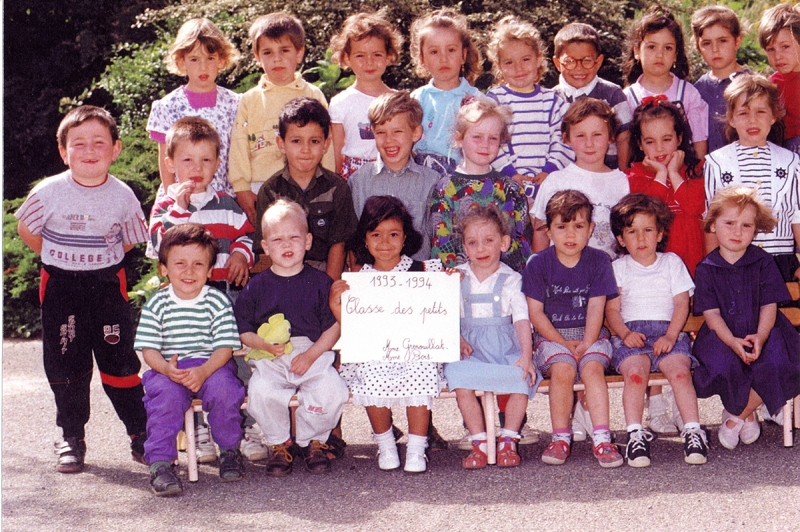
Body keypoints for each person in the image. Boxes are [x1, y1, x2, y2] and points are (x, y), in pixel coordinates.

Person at [15, 105, 148, 473]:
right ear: (63, 151)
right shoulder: (49, 192)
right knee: (66, 363)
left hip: (106, 285)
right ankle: (71, 436)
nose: (89, 151)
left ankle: (140, 433)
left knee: (120, 362)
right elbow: (26, 230)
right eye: (79, 144)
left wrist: (97, 259)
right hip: (61, 286)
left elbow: (131, 240)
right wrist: (58, 255)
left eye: (99, 143)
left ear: (116, 149)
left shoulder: (123, 196)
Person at [147, 116, 270, 463]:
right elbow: (161, 243)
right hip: (183, 302)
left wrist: (242, 257)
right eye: (187, 160)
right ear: (170, 163)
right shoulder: (165, 207)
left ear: (218, 162)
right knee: (188, 357)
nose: (196, 168)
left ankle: (242, 425)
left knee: (231, 361)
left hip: (223, 298)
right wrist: (180, 209)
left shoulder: (227, 206)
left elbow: (247, 236)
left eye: (205, 160)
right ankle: (198, 428)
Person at [331, 196, 446, 473]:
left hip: (416, 350)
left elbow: (440, 310)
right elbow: (352, 327)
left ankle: (418, 449)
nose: (385, 242)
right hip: (374, 350)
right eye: (376, 235)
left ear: (405, 237)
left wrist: (450, 284)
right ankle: (385, 444)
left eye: (393, 234)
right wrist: (336, 305)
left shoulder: (425, 271)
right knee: (370, 375)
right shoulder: (358, 280)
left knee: (422, 371)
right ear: (366, 240)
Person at [235, 199, 350, 476]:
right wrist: (261, 344)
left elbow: (334, 327)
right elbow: (243, 330)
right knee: (261, 392)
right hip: (270, 354)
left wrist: (311, 355)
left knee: (333, 390)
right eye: (278, 239)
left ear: (308, 241)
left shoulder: (321, 282)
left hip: (313, 350)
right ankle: (279, 443)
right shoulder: (256, 286)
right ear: (265, 246)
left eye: (294, 238)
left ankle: (314, 441)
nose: (287, 245)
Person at [135, 224, 246, 496]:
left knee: (226, 391)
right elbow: (148, 349)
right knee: (165, 400)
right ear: (163, 268)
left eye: (198, 264)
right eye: (180, 264)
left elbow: (225, 348)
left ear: (209, 271)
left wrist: (205, 370)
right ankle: (160, 464)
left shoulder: (217, 302)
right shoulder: (156, 304)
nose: (189, 271)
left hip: (211, 366)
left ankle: (230, 450)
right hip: (168, 370)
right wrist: (165, 369)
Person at [692, 186, 800, 449]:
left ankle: (736, 415)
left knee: (775, 358)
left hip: (765, 329)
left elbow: (768, 306)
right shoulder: (706, 267)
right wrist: (731, 341)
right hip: (722, 333)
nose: (737, 232)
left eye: (746, 225)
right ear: (713, 225)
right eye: (729, 223)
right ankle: (751, 410)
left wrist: (761, 336)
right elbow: (712, 314)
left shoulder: (763, 261)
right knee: (722, 362)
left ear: (756, 229)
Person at [523, 190, 623, 468]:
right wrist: (563, 344)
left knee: (592, 369)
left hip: (590, 333)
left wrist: (588, 342)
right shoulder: (538, 263)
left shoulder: (599, 261)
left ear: (591, 229)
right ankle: (560, 436)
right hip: (552, 337)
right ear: (549, 230)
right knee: (564, 369)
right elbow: (536, 312)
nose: (570, 234)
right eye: (562, 226)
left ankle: (602, 437)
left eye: (579, 226)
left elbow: (596, 307)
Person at [606, 194, 708, 467]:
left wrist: (672, 336)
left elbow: (681, 303)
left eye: (648, 230)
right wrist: (625, 334)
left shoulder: (671, 263)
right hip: (632, 334)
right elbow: (612, 311)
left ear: (660, 233)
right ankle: (635, 434)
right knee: (636, 375)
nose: (641, 239)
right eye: (632, 231)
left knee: (680, 371)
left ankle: (693, 430)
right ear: (620, 239)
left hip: (668, 331)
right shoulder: (617, 268)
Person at [444, 205, 541, 469]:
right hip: (469, 346)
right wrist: (458, 339)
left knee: (520, 378)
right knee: (459, 379)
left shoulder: (512, 279)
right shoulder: (457, 277)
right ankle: (479, 441)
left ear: (504, 243)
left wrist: (526, 355)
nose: (481, 248)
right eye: (473, 243)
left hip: (503, 344)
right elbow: (446, 313)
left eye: (489, 241)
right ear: (464, 247)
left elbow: (522, 319)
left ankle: (509, 437)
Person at [228, 12, 334, 225]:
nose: (277, 58)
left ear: (299, 53)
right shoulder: (250, 99)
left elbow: (326, 142)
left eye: (284, 50)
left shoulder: (313, 95)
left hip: (307, 183)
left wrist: (328, 181)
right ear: (257, 57)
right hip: (261, 187)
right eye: (268, 52)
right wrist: (241, 187)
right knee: (268, 248)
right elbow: (239, 145)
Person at [704, 74, 800, 283]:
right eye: (743, 113)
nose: (752, 120)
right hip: (734, 261)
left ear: (774, 116)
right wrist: (712, 268)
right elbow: (711, 221)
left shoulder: (790, 161)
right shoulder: (717, 163)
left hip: (781, 262)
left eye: (760, 111)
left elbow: (797, 217)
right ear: (731, 118)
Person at [254, 97, 358, 281]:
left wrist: (327, 289)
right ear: (281, 143)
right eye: (296, 141)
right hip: (283, 276)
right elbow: (266, 250)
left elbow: (338, 245)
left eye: (314, 141)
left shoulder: (337, 188)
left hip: (325, 273)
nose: (305, 150)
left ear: (326, 144)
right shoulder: (270, 191)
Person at [430, 97, 532, 272]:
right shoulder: (445, 189)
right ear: (459, 138)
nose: (485, 145)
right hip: (461, 283)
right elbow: (441, 245)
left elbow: (521, 243)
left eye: (492, 138)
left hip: (506, 284)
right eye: (477, 137)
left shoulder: (512, 189)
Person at [146, 18, 241, 198]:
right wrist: (172, 199)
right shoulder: (167, 106)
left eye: (210, 58)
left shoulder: (235, 103)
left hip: (224, 199)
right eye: (194, 59)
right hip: (183, 197)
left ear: (221, 60)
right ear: (182, 62)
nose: (203, 67)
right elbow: (165, 161)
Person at [485, 15, 573, 199]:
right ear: (499, 66)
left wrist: (550, 170)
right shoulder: (494, 100)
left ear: (538, 58)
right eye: (509, 62)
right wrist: (510, 173)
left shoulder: (553, 101)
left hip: (548, 185)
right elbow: (489, 141)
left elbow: (564, 140)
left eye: (525, 59)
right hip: (505, 184)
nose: (519, 68)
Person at [530, 98, 629, 260]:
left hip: (609, 276)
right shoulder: (555, 181)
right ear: (567, 138)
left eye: (597, 135)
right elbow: (541, 233)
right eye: (580, 136)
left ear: (611, 136)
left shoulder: (623, 183)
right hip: (563, 275)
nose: (589, 144)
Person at [348, 91, 439, 261]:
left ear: (416, 133)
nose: (389, 140)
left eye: (397, 131)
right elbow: (353, 239)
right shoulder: (359, 181)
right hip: (372, 278)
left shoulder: (432, 182)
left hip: (418, 279)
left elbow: (436, 238)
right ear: (373, 133)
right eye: (381, 132)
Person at [626, 99, 705, 277]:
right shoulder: (634, 176)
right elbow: (650, 214)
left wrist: (674, 173)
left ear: (679, 138)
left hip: (691, 259)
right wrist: (661, 174)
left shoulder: (696, 170)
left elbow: (694, 207)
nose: (659, 148)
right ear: (639, 144)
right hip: (655, 262)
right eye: (650, 142)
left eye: (667, 139)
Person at [623, 4, 709, 160]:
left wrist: (697, 173)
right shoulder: (627, 97)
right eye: (651, 47)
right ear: (637, 52)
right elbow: (624, 147)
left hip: (682, 175)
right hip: (642, 178)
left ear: (676, 55)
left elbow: (699, 141)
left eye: (668, 48)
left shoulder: (688, 93)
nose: (660, 54)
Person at [329, 10, 403, 179]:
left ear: (389, 56)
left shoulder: (400, 101)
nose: (369, 62)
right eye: (360, 55)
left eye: (377, 54)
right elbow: (336, 153)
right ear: (347, 58)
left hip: (392, 172)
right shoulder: (340, 102)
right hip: (353, 176)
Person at [409, 8, 482, 176]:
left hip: (463, 178)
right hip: (422, 176)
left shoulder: (477, 101)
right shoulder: (415, 100)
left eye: (451, 50)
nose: (444, 58)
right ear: (422, 59)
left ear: (463, 55)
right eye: (434, 52)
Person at [552, 22, 633, 170]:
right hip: (564, 179)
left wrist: (623, 175)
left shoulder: (612, 94)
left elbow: (624, 138)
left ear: (598, 62)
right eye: (569, 61)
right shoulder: (551, 99)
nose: (579, 68)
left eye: (587, 61)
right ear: (557, 63)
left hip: (607, 177)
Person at [691, 5, 750, 154]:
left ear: (737, 41)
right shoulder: (697, 90)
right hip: (709, 171)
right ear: (698, 47)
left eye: (722, 41)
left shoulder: (753, 85)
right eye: (706, 43)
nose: (715, 49)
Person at [758, 3, 800, 155]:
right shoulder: (772, 85)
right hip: (784, 151)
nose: (778, 56)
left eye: (785, 47)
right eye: (771, 49)